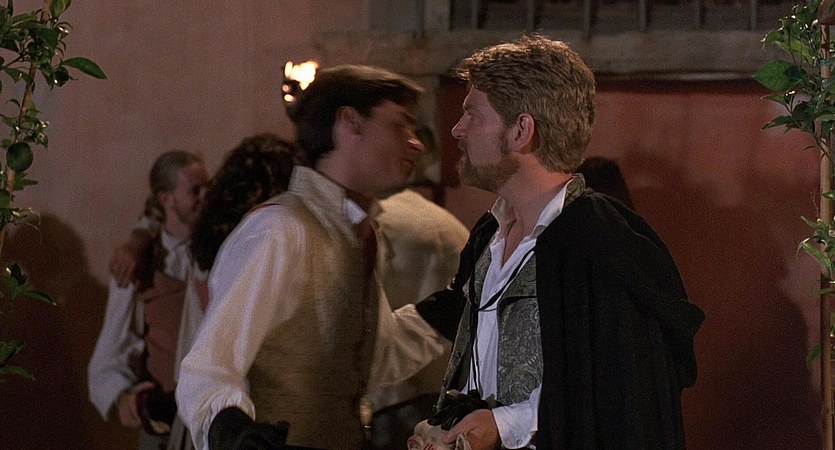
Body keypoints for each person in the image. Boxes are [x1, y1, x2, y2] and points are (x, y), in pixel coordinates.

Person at [413, 35, 705, 450]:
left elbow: (620, 396)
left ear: (521, 131)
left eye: (472, 115)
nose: (457, 130)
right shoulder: (488, 235)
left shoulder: (600, 243)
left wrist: (503, 425)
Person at [175, 65, 450, 449]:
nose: (416, 144)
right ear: (349, 122)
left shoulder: (357, 232)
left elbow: (368, 360)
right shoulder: (280, 229)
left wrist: (448, 310)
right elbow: (207, 369)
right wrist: (232, 430)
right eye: (400, 125)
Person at [88, 150, 209, 450]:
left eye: (207, 187)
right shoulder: (139, 264)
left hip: (209, 416)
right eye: (195, 190)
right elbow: (110, 346)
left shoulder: (216, 249)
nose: (205, 197)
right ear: (166, 199)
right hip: (163, 423)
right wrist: (124, 399)